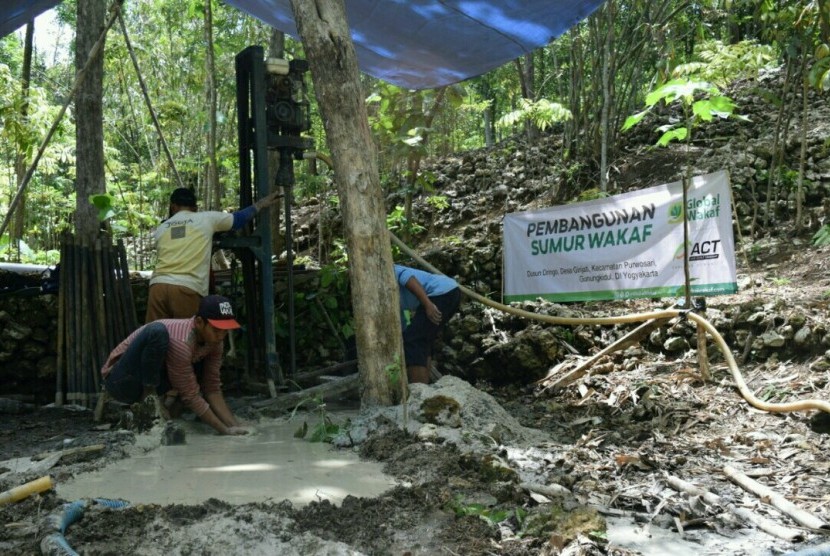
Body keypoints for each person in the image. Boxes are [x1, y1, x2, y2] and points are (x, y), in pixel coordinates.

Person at [101, 295, 249, 435]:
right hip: (121, 382)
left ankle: (170, 409)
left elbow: (212, 387)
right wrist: (224, 430)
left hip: (154, 379)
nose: (221, 336)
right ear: (199, 322)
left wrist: (234, 426)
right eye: (216, 330)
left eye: (225, 331)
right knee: (157, 332)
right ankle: (150, 398)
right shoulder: (182, 341)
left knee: (199, 366)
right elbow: (190, 395)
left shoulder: (216, 343)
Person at [145, 187, 280, 322]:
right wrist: (259, 204)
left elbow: (178, 239)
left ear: (173, 207)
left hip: (158, 287)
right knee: (187, 338)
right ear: (195, 208)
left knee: (157, 338)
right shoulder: (206, 218)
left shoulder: (161, 228)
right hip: (186, 287)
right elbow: (238, 220)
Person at [394, 264, 461, 384]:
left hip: (440, 292)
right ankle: (425, 389)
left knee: (414, 339)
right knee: (422, 340)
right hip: (450, 291)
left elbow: (409, 278)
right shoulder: (387, 298)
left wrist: (427, 304)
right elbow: (402, 323)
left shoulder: (386, 268)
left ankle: (419, 390)